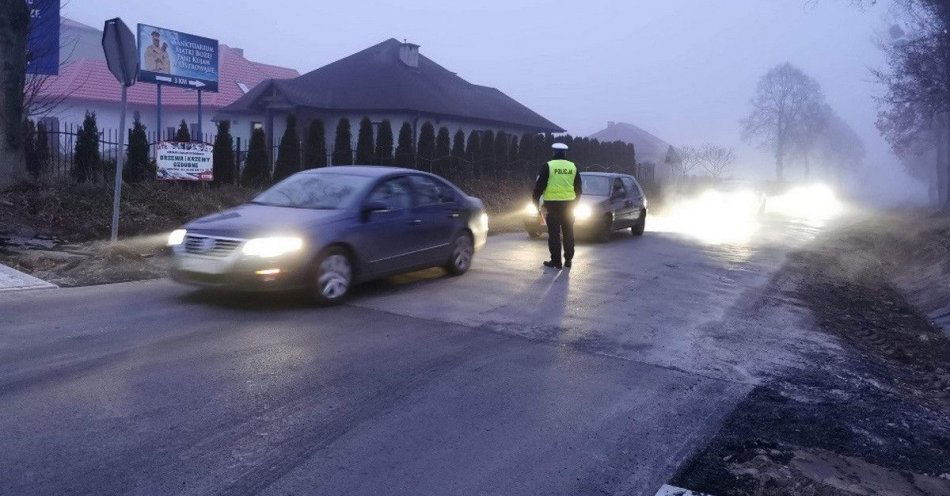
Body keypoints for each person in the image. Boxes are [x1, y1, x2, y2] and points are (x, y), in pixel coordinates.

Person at [532, 142, 582, 269]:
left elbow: (539, 187)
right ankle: (569, 260)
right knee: (568, 232)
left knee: (554, 234)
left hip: (552, 205)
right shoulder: (573, 166)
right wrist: (575, 204)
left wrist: (535, 202)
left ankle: (556, 262)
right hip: (569, 205)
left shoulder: (548, 166)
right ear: (565, 153)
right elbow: (578, 189)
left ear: (553, 152)